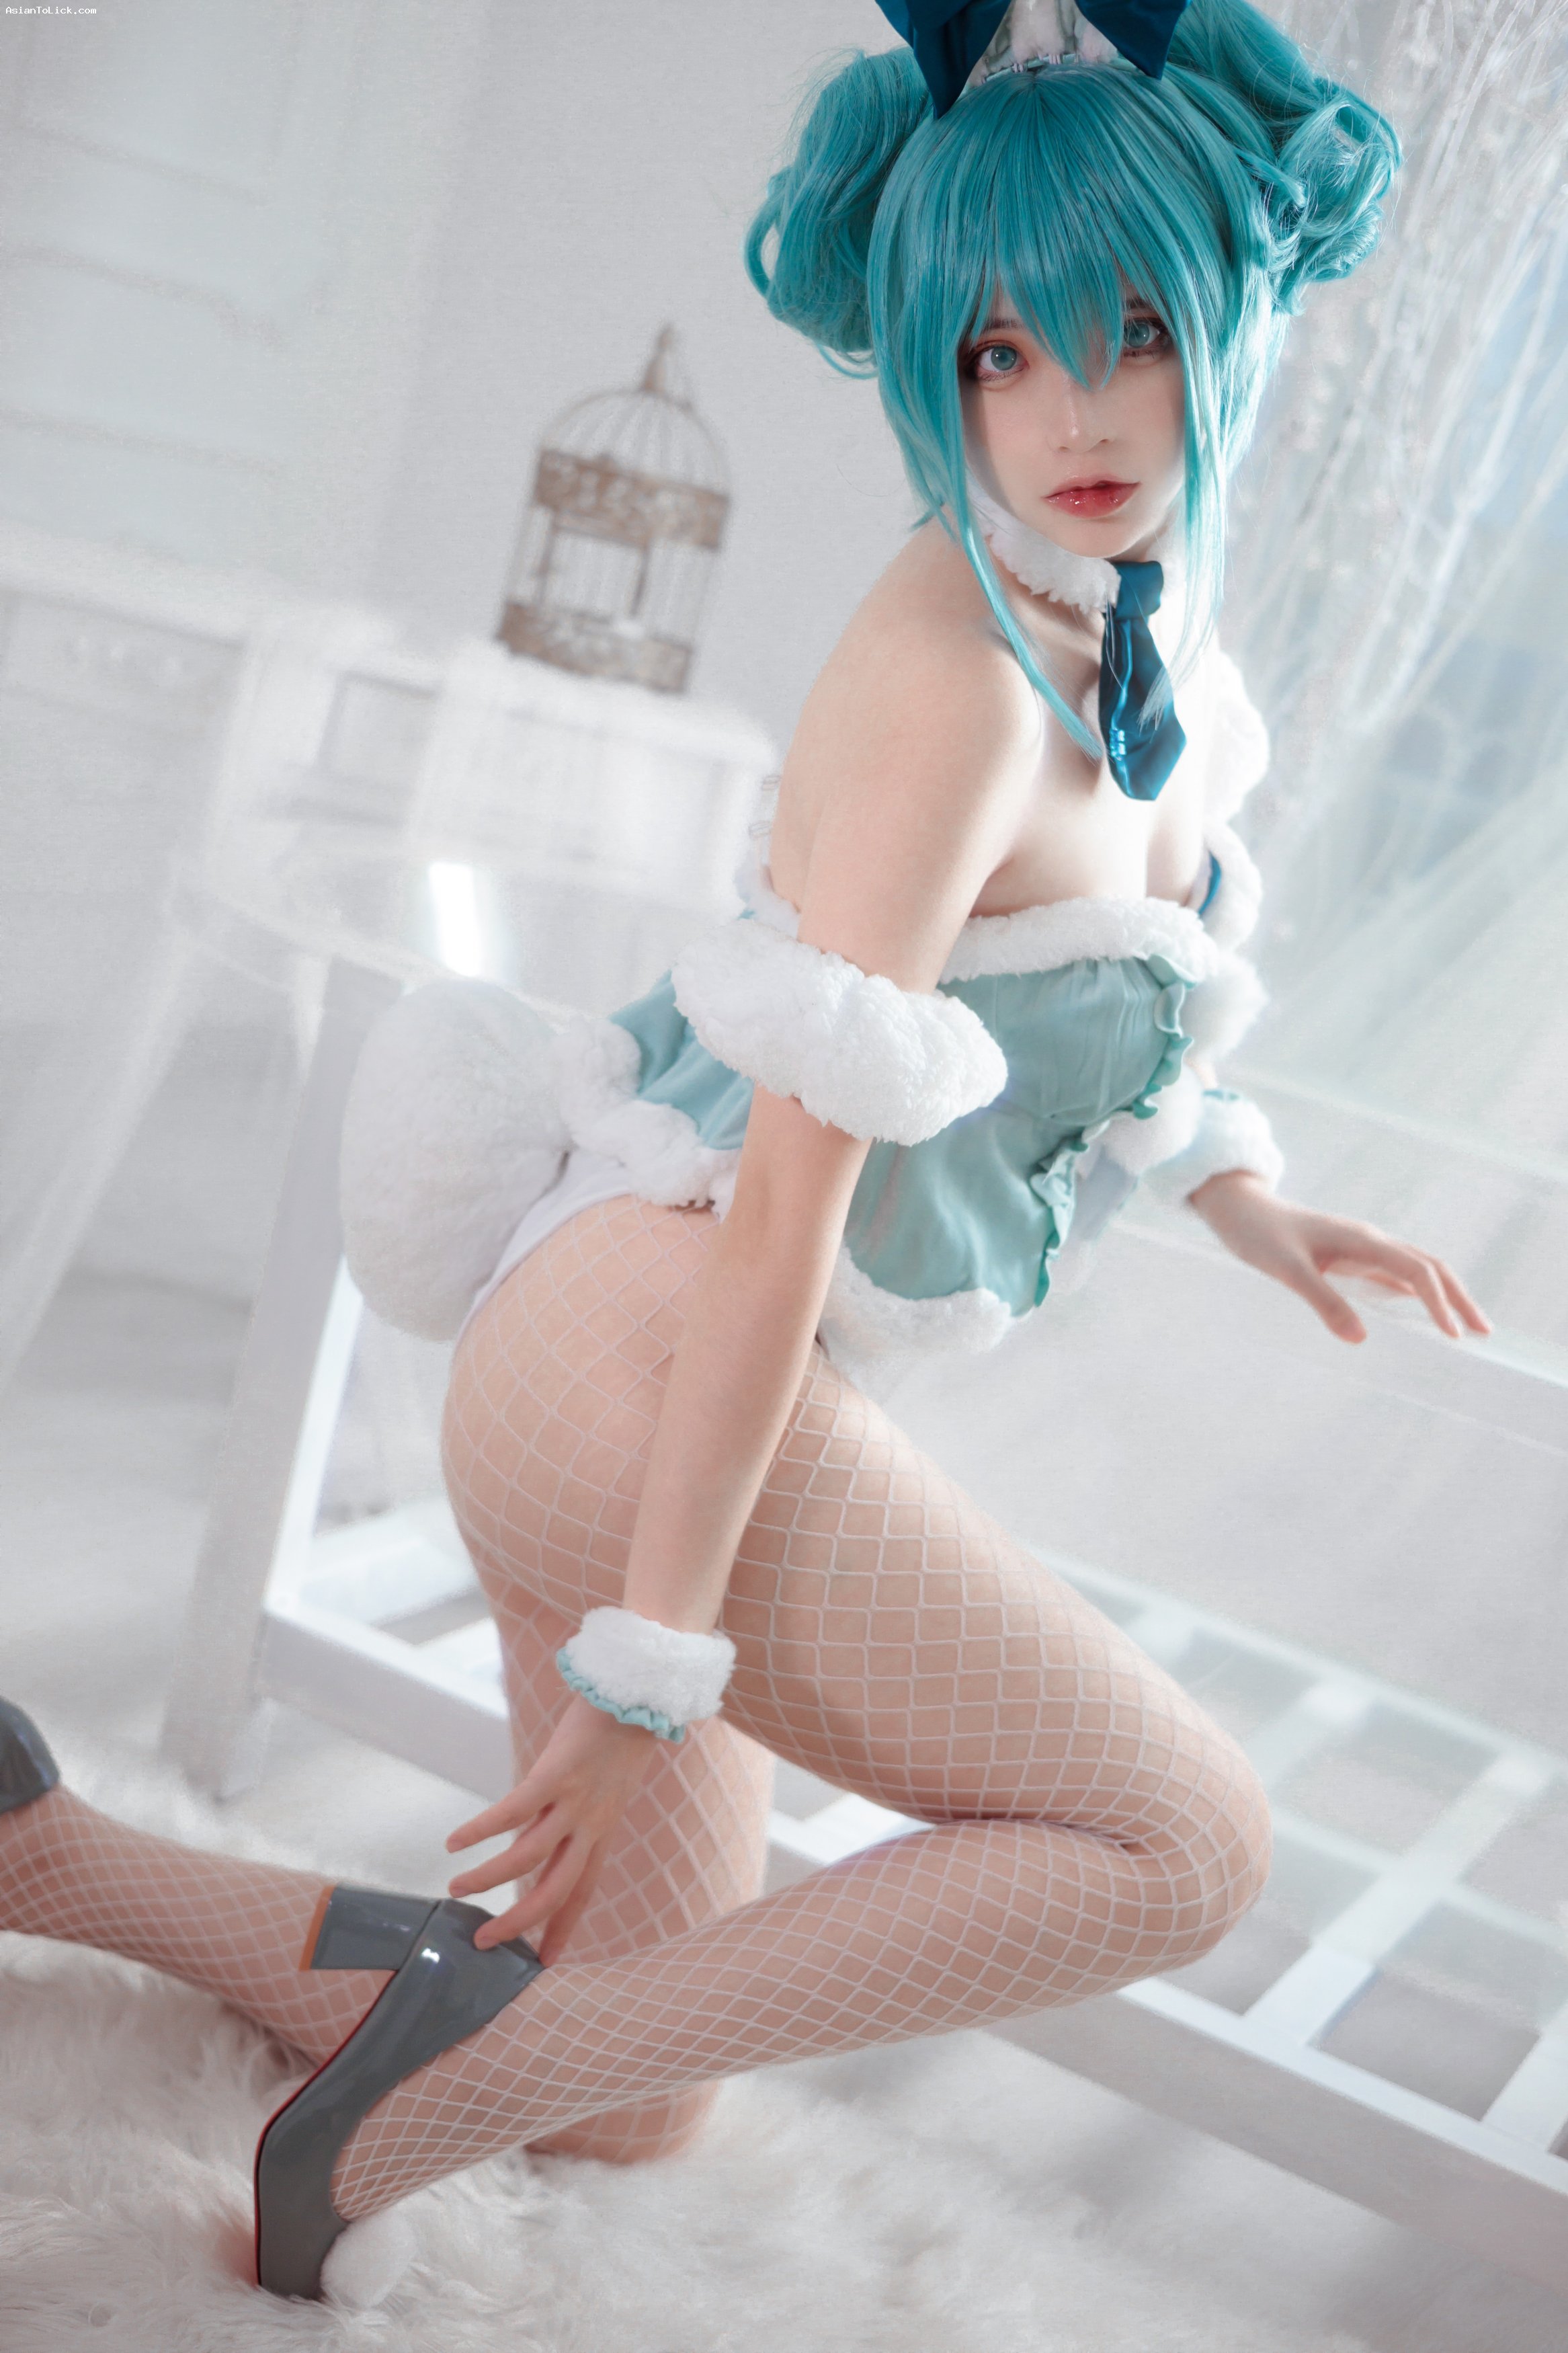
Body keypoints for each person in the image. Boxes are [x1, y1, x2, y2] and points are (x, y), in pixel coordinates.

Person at [0, 0, 1488, 2303]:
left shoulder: (1145, 646)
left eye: (1131, 330)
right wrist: (642, 1667)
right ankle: (424, 2099)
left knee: (639, 2101)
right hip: (652, 1355)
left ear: (1229, 314)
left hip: (634, 1353)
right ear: (934, 371)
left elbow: (1098, 990)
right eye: (1000, 354)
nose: (1079, 414)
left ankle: (62, 1863)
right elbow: (789, 1196)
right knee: (1189, 1836)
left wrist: (1254, 1200)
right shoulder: (956, 679)